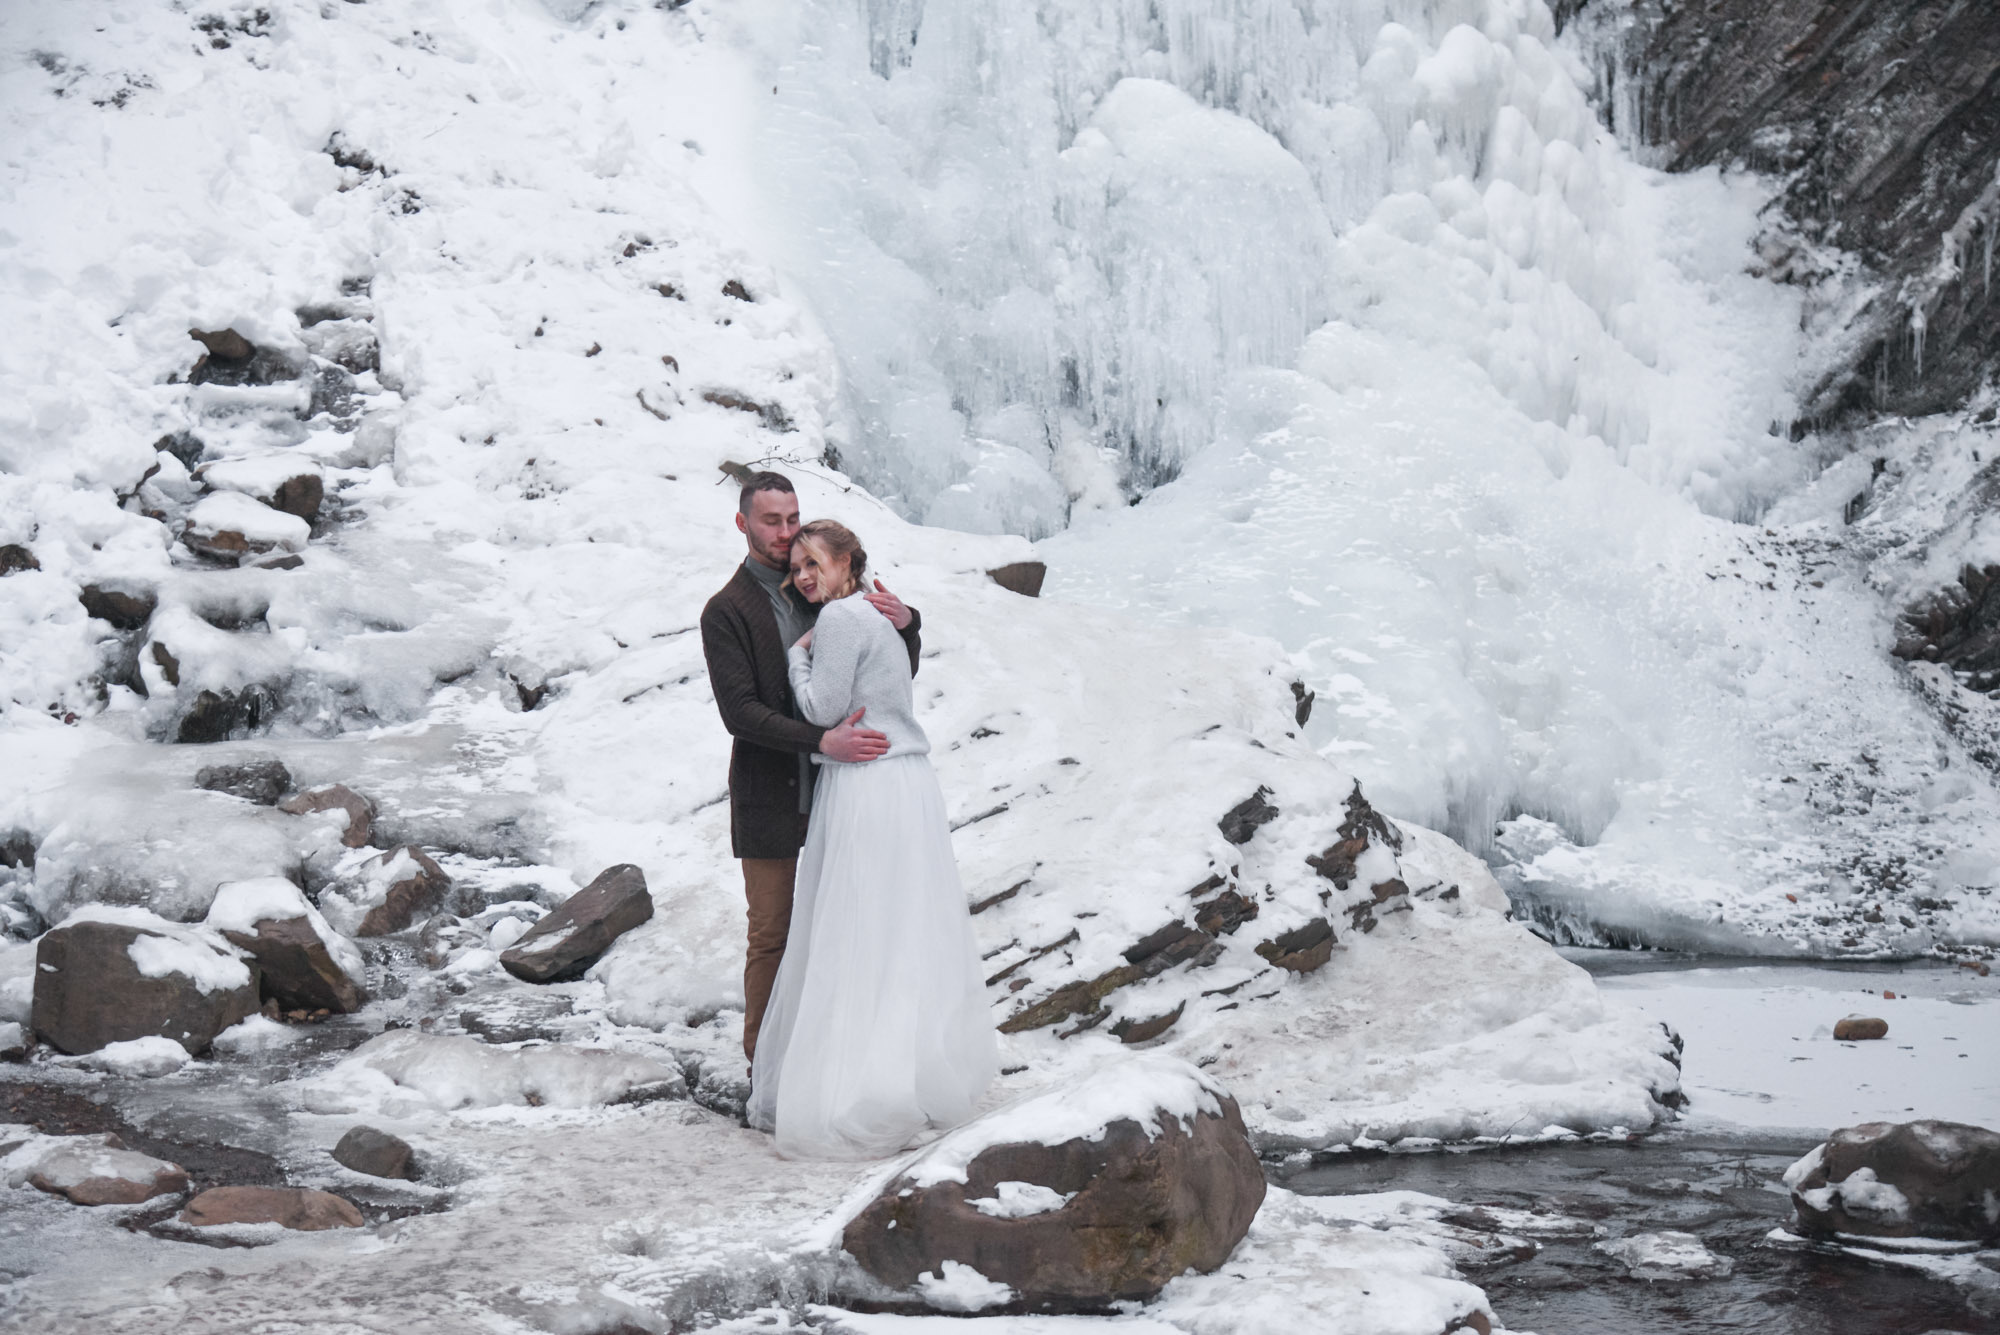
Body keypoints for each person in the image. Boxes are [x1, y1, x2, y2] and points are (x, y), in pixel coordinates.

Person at [746, 518, 997, 1157]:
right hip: (907, 783)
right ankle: (907, 1073)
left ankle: (851, 1086)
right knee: (899, 929)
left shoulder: (835, 622)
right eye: (796, 567)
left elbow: (826, 710)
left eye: (813, 564)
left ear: (848, 565)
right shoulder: (881, 617)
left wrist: (799, 662)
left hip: (864, 786)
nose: (802, 576)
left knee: (853, 929)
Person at [699, 472, 919, 1063]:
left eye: (792, 519)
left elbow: (884, 670)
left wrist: (908, 622)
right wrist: (824, 738)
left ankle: (829, 1066)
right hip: (771, 794)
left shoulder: (819, 584)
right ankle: (763, 1071)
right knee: (773, 935)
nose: (785, 533)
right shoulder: (727, 610)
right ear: (743, 523)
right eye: (771, 521)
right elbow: (740, 713)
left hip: (840, 792)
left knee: (840, 931)